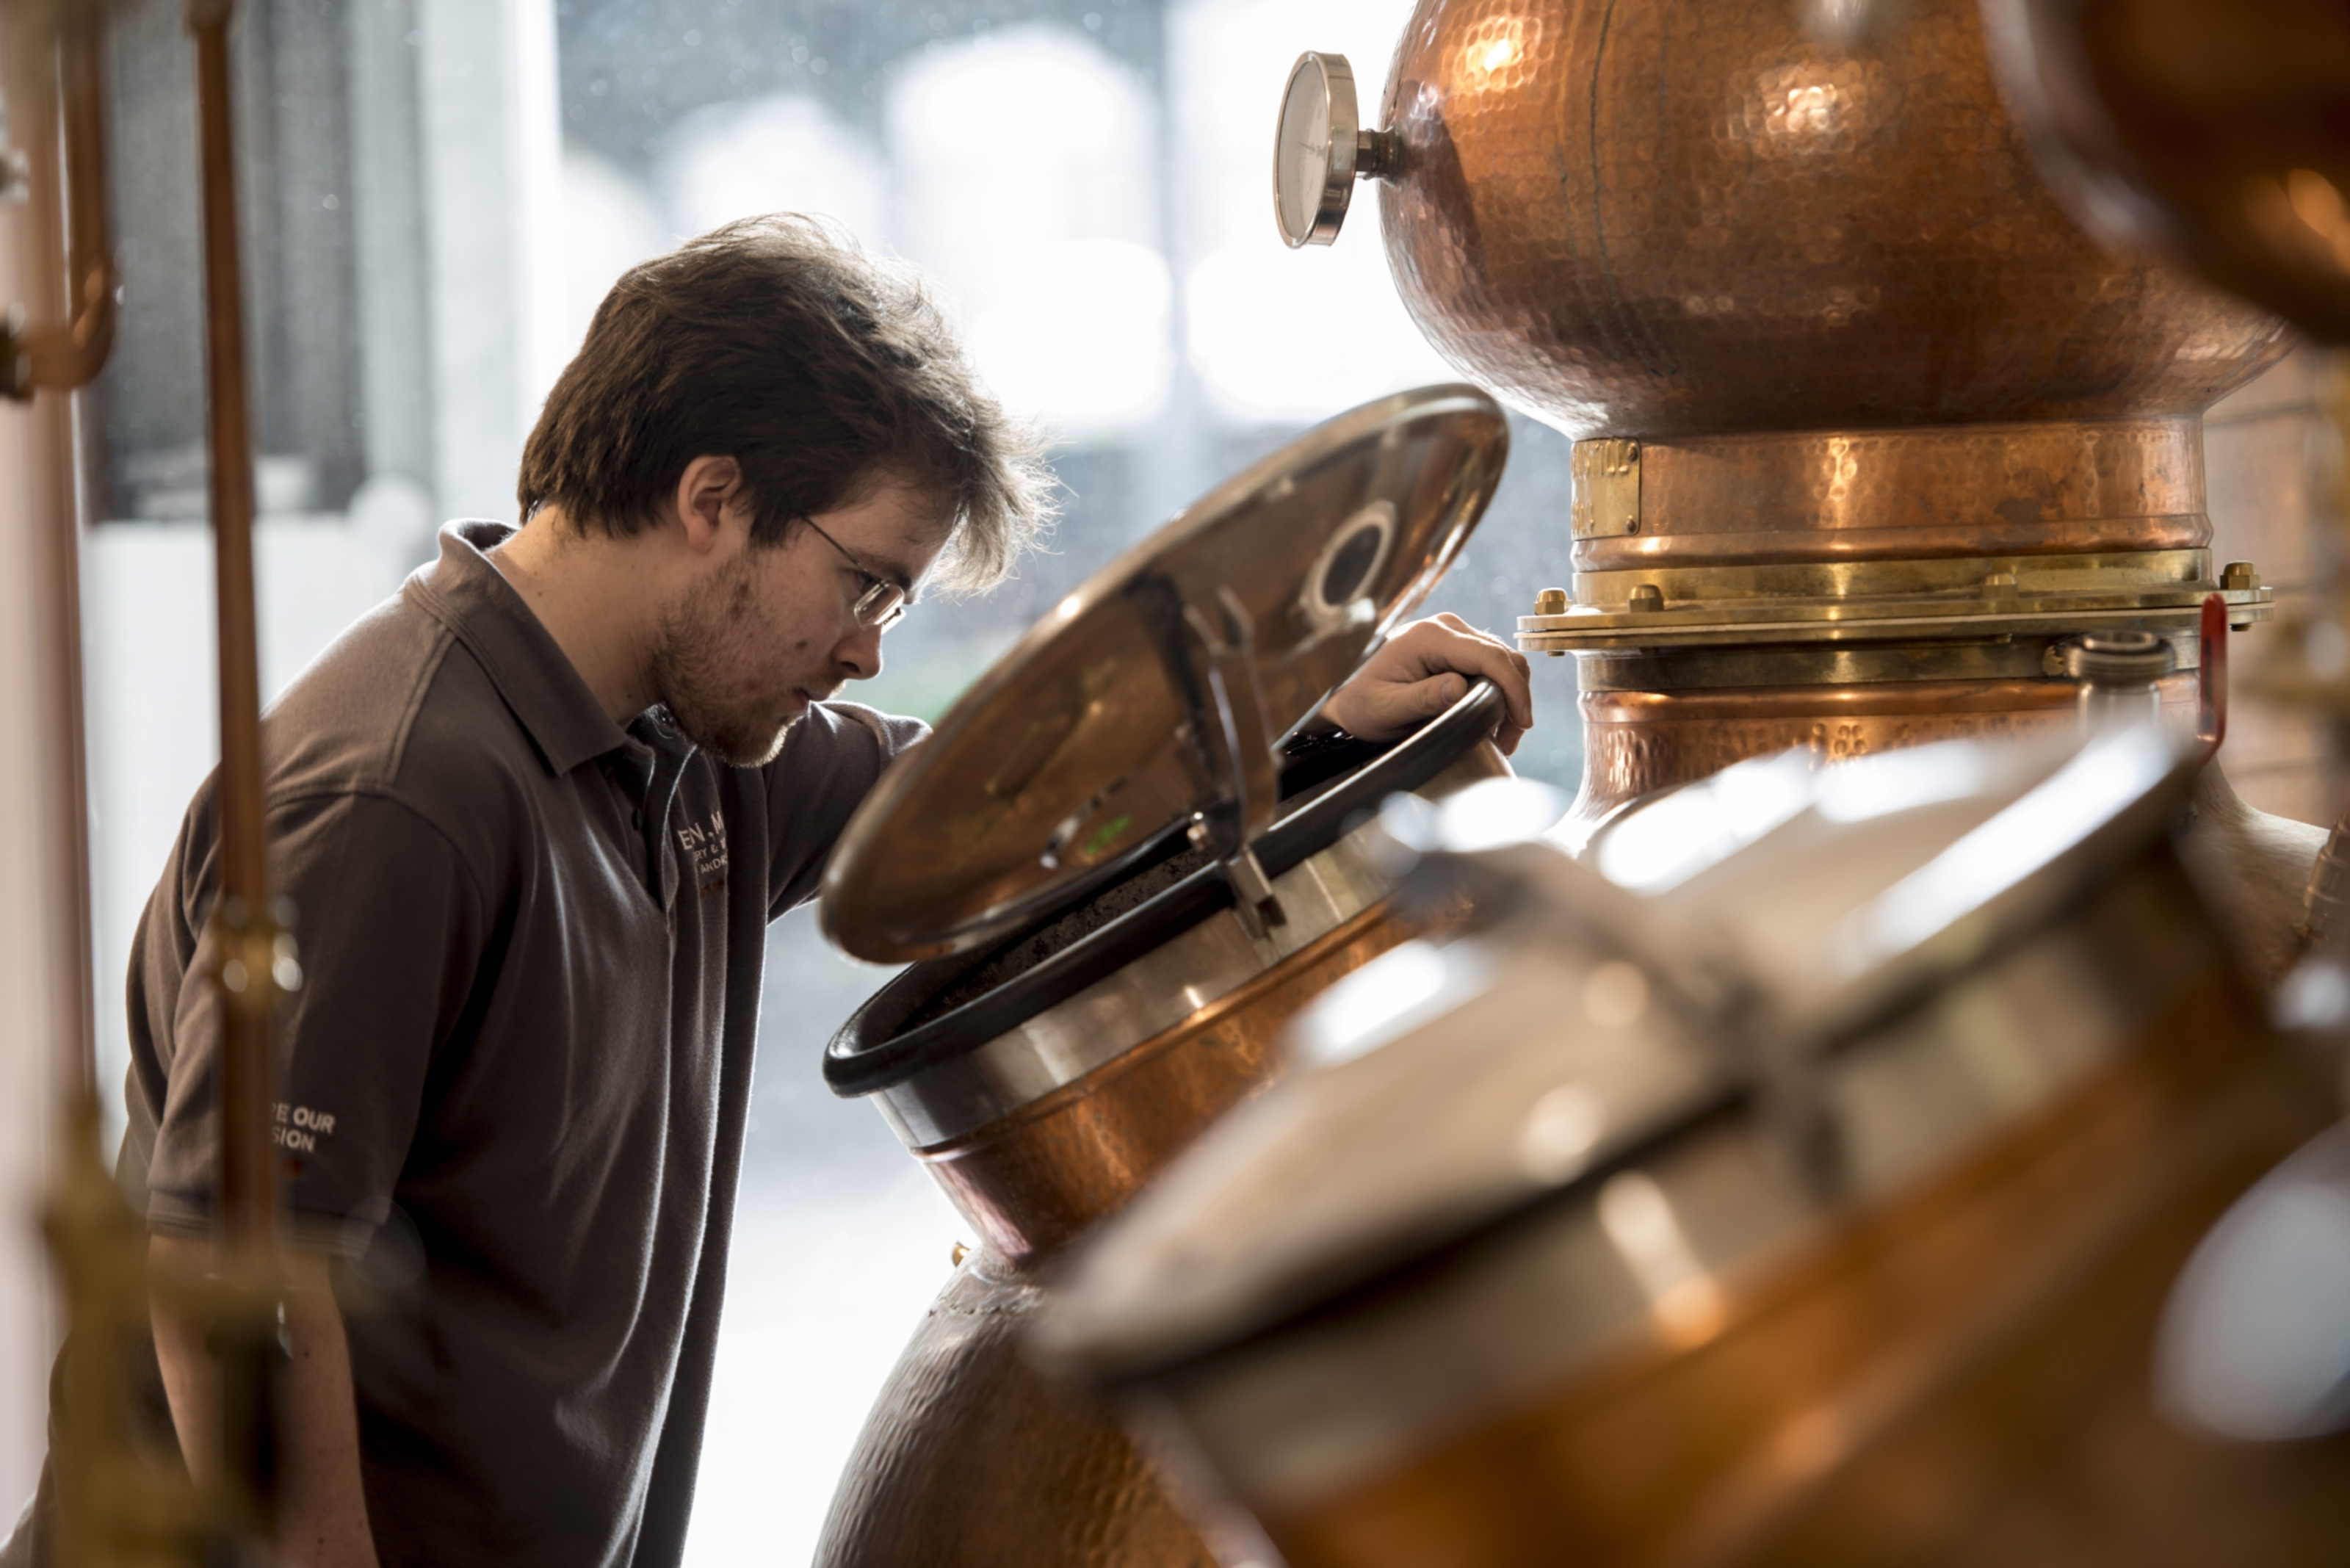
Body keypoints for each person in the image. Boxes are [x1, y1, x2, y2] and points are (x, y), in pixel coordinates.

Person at [18, 215, 1534, 1568]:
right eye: (866, 582)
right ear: (711, 499)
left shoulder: (698, 751)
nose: (872, 645)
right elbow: (236, 1273)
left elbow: (1023, 803)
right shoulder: (398, 795)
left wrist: (1316, 720)